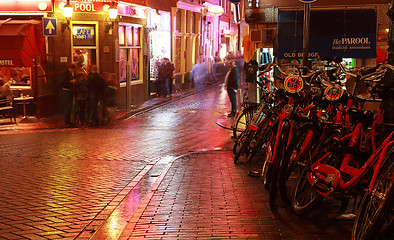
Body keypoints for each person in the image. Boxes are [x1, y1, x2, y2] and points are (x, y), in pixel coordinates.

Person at [62, 63, 77, 128]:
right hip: (67, 91)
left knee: (68, 106)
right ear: (72, 68)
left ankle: (68, 121)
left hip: (67, 91)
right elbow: (65, 83)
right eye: (74, 69)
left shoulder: (68, 73)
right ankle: (67, 121)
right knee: (68, 106)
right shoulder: (66, 74)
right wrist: (72, 82)